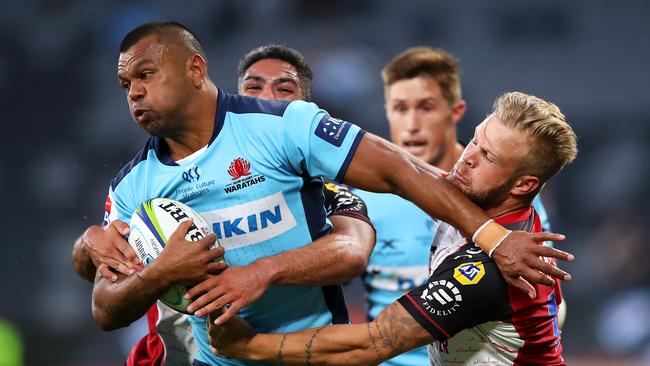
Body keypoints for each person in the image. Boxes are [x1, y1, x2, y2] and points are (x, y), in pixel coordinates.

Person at [76, 21, 570, 365]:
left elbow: (366, 311)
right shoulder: (132, 187)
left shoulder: (295, 143)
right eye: (125, 83)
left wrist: (255, 305)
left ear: (196, 69)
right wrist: (96, 251)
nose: (462, 157)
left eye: (145, 75)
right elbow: (105, 306)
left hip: (299, 354)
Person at [208, 91, 578, 365]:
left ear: (523, 186)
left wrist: (249, 346)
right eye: (476, 140)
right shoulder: (483, 206)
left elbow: (372, 344)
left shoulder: (487, 273)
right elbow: (404, 172)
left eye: (488, 156)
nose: (466, 158)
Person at [72, 43, 376, 366]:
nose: (267, 99)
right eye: (253, 88)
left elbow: (352, 254)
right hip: (175, 355)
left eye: (284, 90)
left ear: (305, 109)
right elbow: (101, 270)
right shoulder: (162, 175)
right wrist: (87, 242)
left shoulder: (328, 194)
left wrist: (261, 273)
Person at [356, 47, 552, 365]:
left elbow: (541, 293)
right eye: (399, 108)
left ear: (456, 111)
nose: (411, 124)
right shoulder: (366, 197)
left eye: (426, 108)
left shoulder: (507, 199)